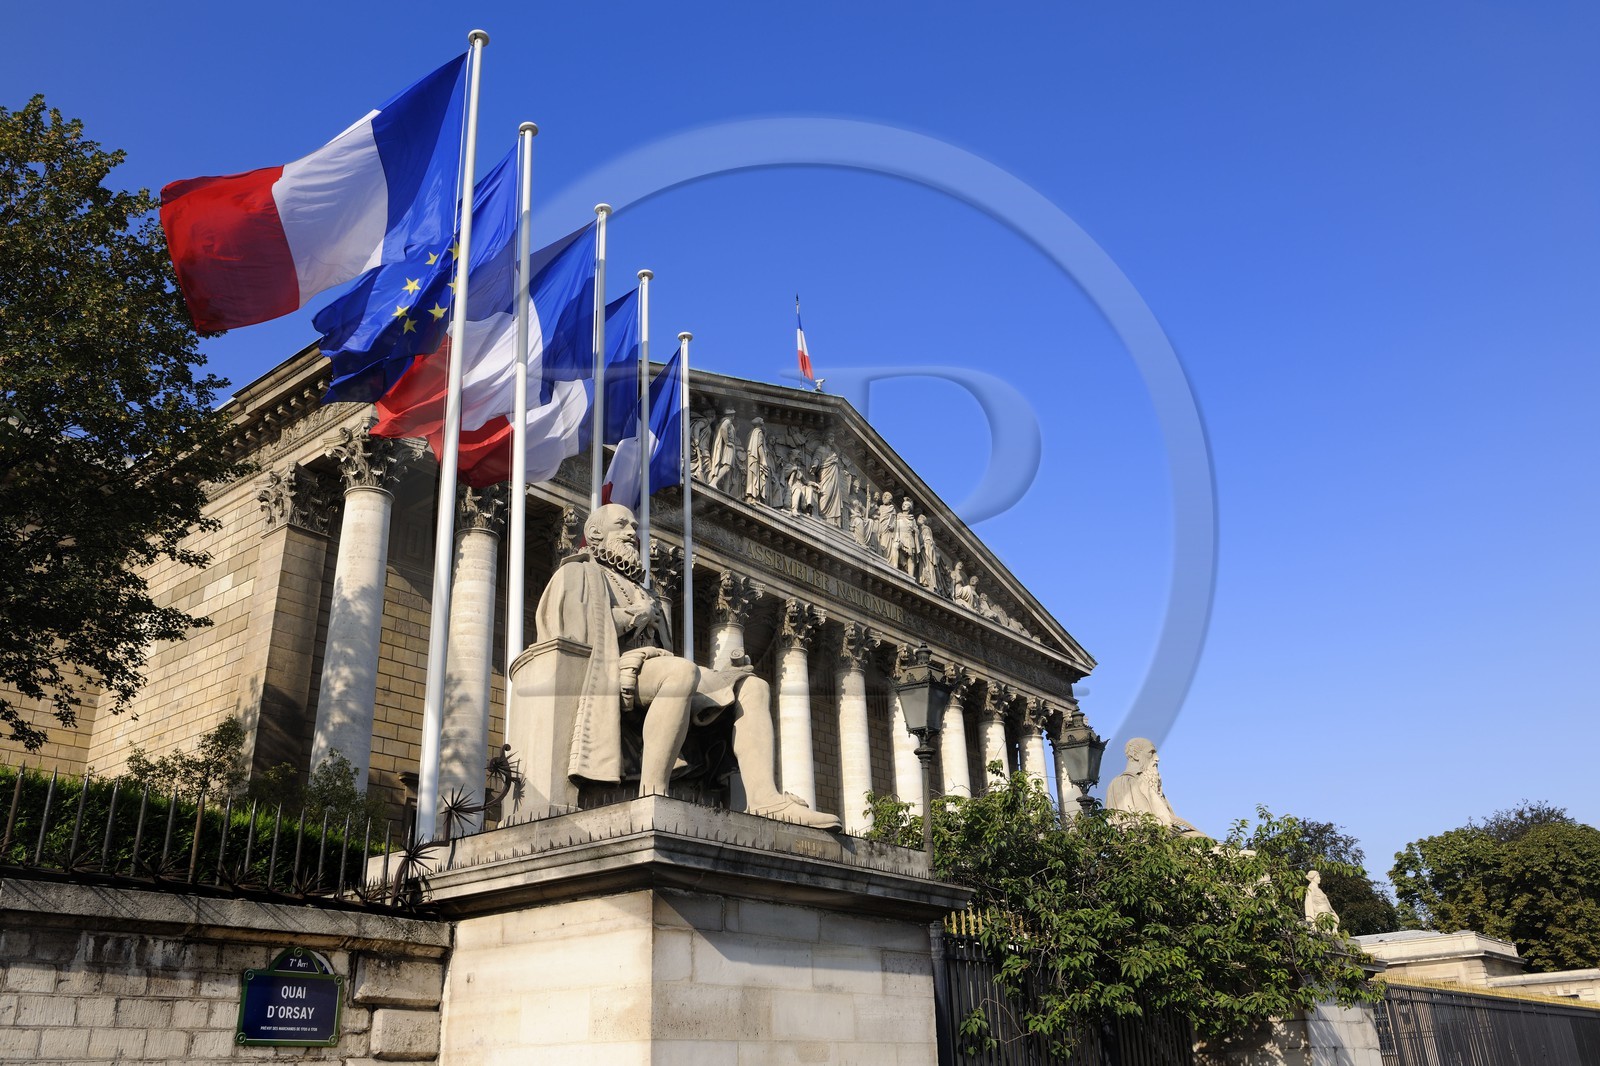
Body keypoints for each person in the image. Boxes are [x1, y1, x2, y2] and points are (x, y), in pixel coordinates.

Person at [534, 504, 840, 830]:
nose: (632, 534)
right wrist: (631, 617)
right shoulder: (577, 574)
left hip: (655, 673)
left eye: (634, 527)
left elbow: (665, 655)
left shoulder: (645, 592)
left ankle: (765, 800)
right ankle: (652, 793)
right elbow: (565, 630)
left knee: (752, 687)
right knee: (680, 673)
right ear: (595, 533)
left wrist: (724, 676)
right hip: (609, 674)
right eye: (622, 525)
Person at [1104, 738, 1207, 838]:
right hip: (1150, 845)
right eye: (1151, 753)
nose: (1157, 758)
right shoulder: (1122, 782)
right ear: (1135, 755)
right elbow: (1126, 826)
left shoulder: (1152, 785)